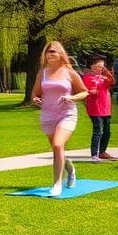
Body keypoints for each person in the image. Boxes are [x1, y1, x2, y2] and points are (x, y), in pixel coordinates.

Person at [32, 41, 88, 196]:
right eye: (47, 52)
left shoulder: (69, 72)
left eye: (53, 51)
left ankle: (57, 184)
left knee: (57, 145)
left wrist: (72, 97)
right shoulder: (42, 73)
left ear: (60, 54)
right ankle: (70, 169)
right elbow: (35, 94)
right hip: (48, 115)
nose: (49, 54)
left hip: (67, 114)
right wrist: (36, 99)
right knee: (58, 149)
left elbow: (84, 91)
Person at [81, 54, 117, 161]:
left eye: (102, 67)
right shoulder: (88, 78)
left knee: (107, 131)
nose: (101, 69)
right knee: (98, 130)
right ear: (91, 66)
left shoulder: (103, 77)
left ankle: (102, 151)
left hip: (106, 108)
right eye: (98, 67)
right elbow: (85, 91)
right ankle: (94, 154)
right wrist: (91, 92)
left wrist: (108, 74)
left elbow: (113, 82)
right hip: (95, 108)